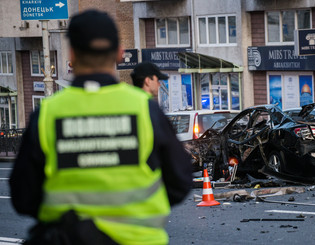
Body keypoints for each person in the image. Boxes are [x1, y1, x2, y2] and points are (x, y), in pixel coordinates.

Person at [9, 9, 192, 245]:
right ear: (119, 53)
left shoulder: (47, 115)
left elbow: (23, 196)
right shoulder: (144, 110)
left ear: (72, 54)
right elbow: (180, 181)